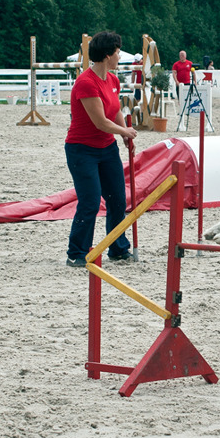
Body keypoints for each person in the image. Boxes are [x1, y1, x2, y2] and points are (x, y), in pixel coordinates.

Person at [65, 31, 137, 267]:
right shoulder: (86, 82)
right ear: (107, 56)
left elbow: (115, 111)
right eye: (117, 52)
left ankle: (117, 248)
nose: (119, 56)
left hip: (107, 148)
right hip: (81, 150)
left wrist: (124, 132)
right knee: (91, 201)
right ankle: (77, 252)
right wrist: (124, 131)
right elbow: (100, 122)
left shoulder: (113, 81)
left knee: (117, 199)